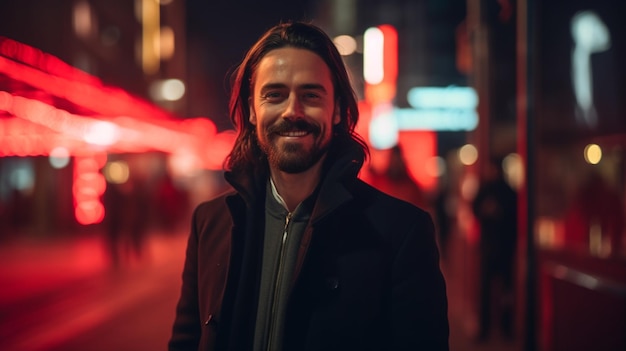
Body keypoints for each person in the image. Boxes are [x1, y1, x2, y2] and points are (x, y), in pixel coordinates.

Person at [169, 21, 449, 351]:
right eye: (275, 95)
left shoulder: (401, 232)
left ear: (338, 111)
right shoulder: (209, 223)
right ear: (252, 111)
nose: (292, 111)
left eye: (311, 95)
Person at [471, 157, 517, 342]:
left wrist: (498, 211)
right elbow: (474, 208)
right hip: (489, 247)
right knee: (485, 291)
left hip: (504, 247)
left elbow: (514, 215)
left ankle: (506, 328)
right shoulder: (485, 189)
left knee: (506, 291)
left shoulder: (508, 191)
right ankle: (485, 328)